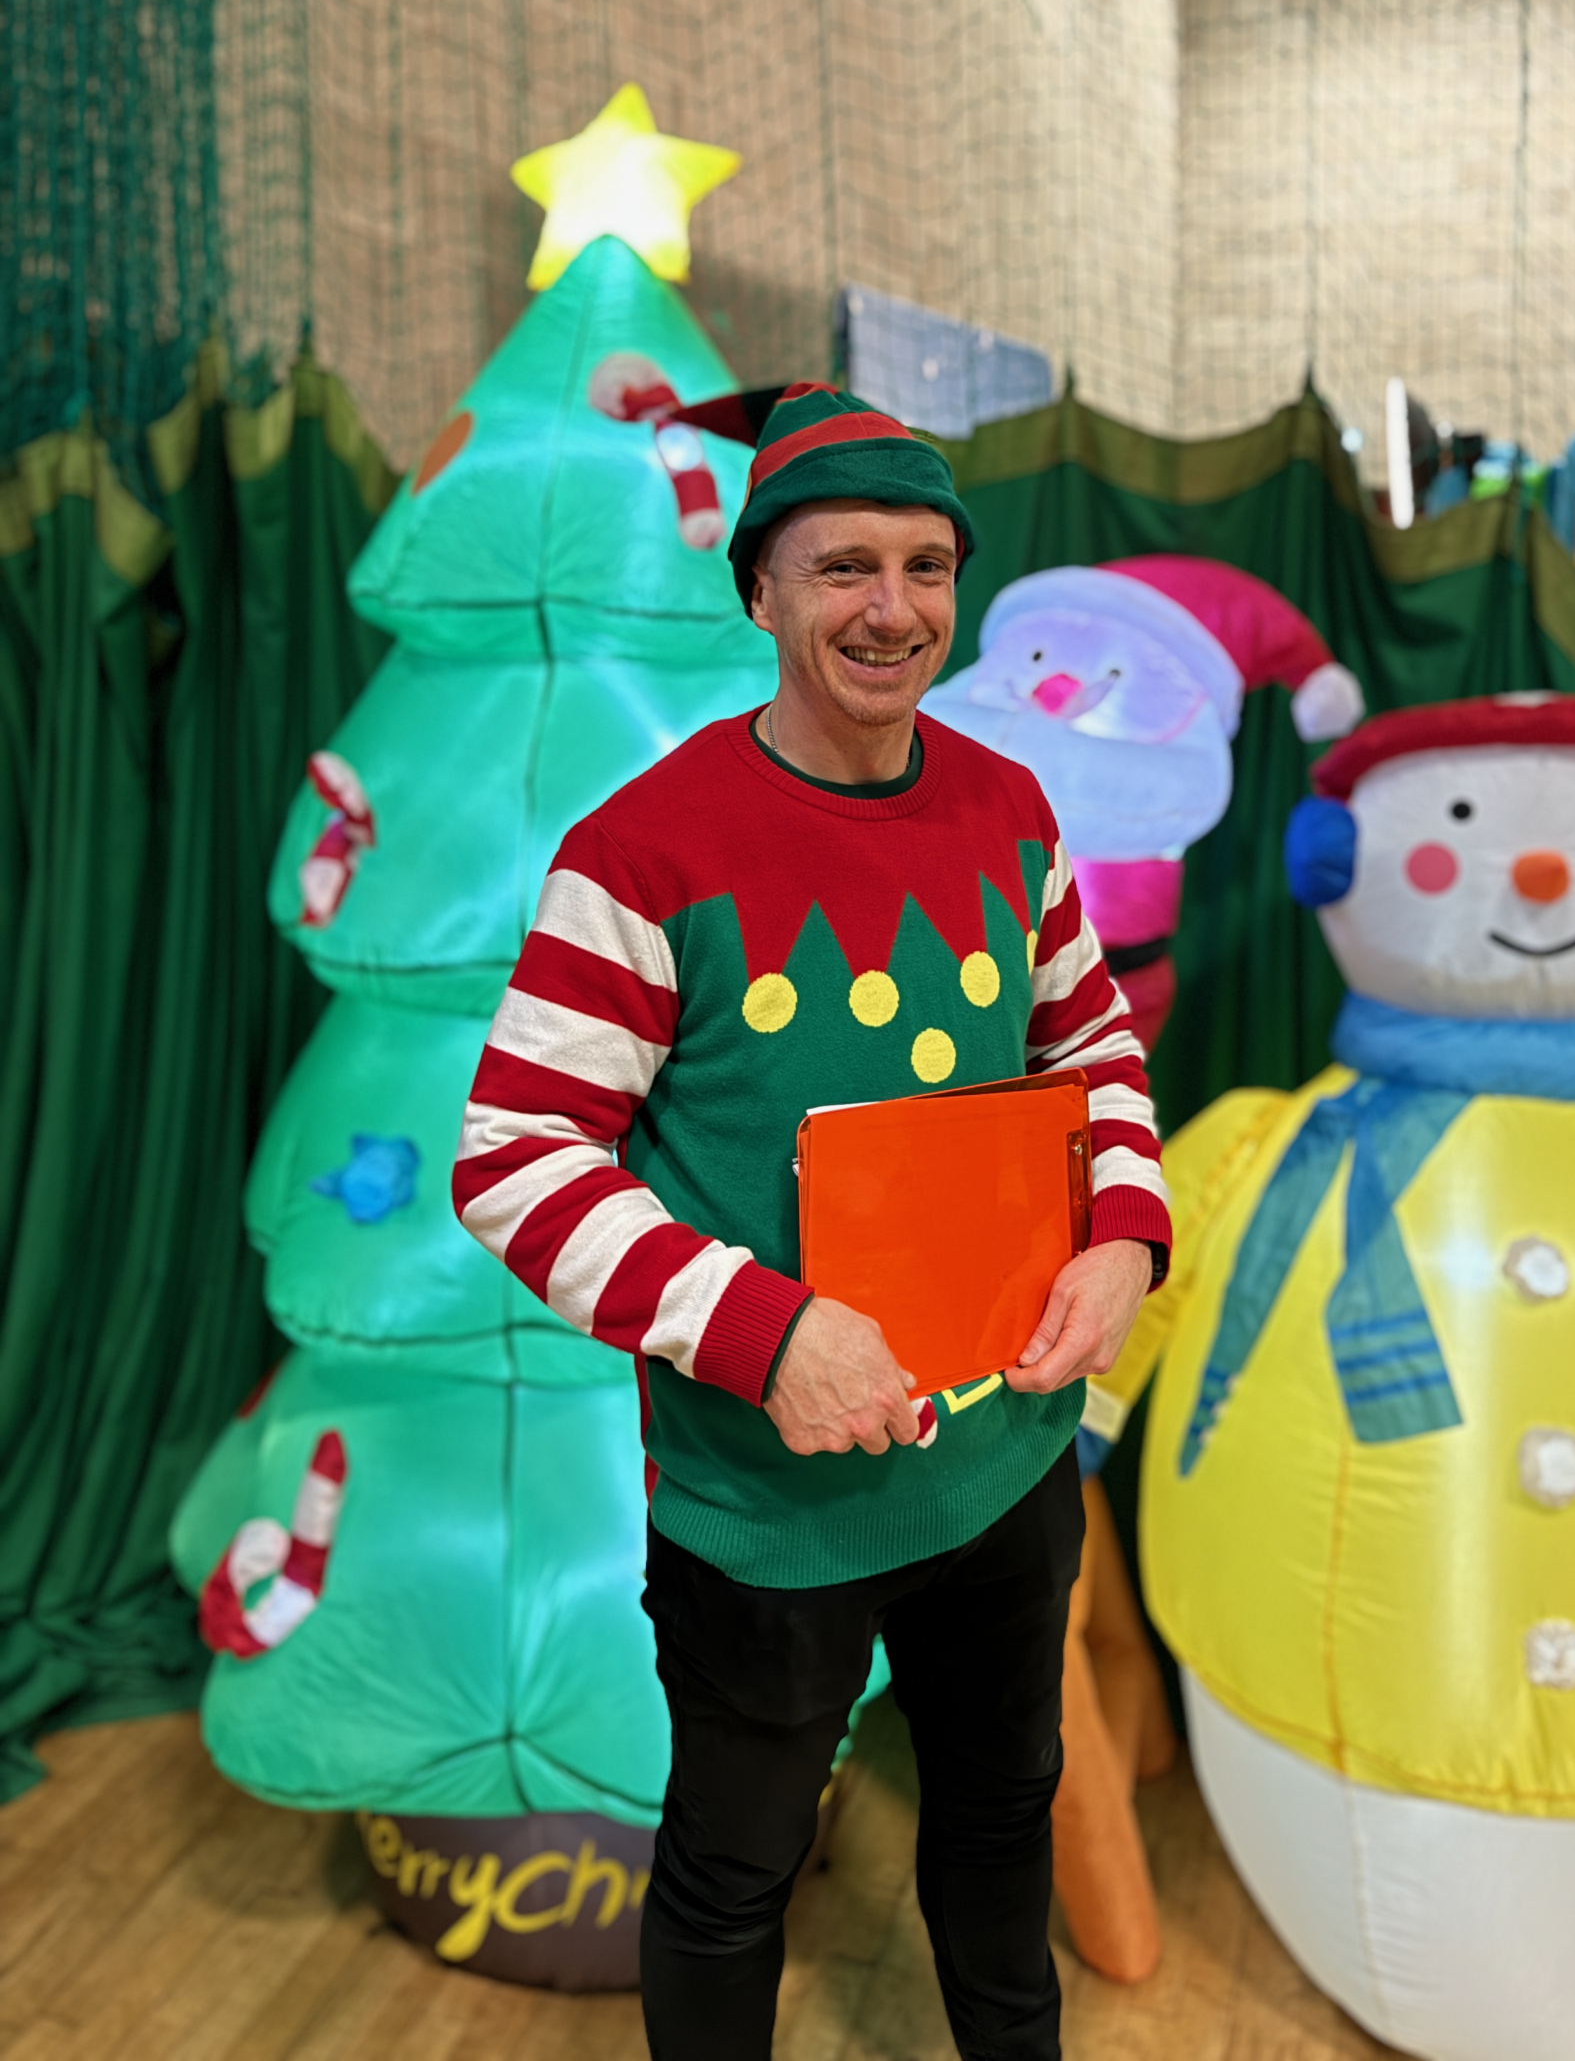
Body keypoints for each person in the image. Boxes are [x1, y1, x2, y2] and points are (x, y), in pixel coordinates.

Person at [453, 383, 1170, 2061]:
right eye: (845, 564)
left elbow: (1090, 1043)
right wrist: (764, 1331)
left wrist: (1120, 1233)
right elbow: (516, 1156)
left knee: (998, 1839)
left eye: (927, 566)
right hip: (760, 1508)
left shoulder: (1008, 809)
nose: (894, 607)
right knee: (733, 1875)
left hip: (1001, 1464)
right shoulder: (644, 849)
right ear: (761, 591)